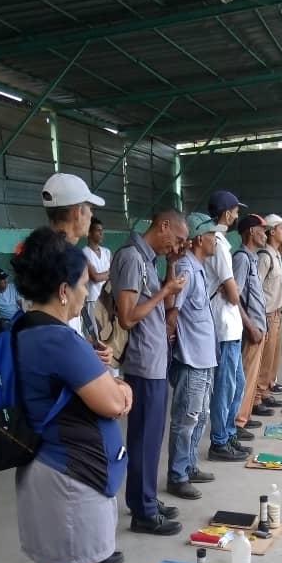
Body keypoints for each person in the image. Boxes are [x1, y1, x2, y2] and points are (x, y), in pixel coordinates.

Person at [12, 227, 133, 563]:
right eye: (83, 286)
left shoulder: (30, 327)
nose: (87, 294)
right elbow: (110, 401)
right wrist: (121, 388)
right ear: (64, 291)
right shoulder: (59, 340)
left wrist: (105, 378)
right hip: (65, 473)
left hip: (53, 466)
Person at [36, 171, 121, 563]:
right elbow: (46, 321)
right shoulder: (52, 257)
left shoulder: (61, 252)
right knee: (63, 464)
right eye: (87, 210)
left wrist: (88, 349)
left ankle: (78, 555)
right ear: (74, 213)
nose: (90, 217)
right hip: (57, 370)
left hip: (70, 355)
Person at [110, 209, 189, 534]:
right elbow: (128, 316)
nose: (178, 246)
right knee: (143, 438)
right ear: (163, 225)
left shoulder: (148, 260)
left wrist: (169, 272)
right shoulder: (130, 257)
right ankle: (143, 511)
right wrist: (164, 292)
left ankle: (146, 498)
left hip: (156, 361)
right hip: (143, 364)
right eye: (178, 239)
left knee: (153, 438)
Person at [166, 213, 218, 499]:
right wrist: (171, 346)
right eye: (212, 236)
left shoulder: (198, 268)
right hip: (192, 359)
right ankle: (177, 475)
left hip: (205, 357)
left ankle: (190, 466)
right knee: (185, 419)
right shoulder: (186, 268)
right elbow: (172, 311)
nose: (216, 242)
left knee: (200, 417)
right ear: (200, 238)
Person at [204, 189, 253, 461]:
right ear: (225, 213)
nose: (237, 216)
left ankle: (229, 433)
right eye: (235, 211)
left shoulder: (219, 242)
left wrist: (230, 289)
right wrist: (231, 289)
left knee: (236, 383)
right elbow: (233, 293)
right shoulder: (219, 244)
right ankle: (219, 440)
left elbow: (231, 290)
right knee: (225, 387)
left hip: (230, 325)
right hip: (223, 325)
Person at [233, 214, 271, 434]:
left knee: (252, 376)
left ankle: (244, 417)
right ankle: (238, 422)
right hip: (251, 328)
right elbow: (234, 297)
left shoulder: (252, 258)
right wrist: (250, 326)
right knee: (245, 377)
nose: (265, 235)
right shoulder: (241, 258)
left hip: (259, 325)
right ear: (250, 232)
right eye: (261, 230)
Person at [255, 214, 282, 413]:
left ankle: (266, 392)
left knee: (273, 359)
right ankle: (256, 398)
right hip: (267, 315)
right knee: (265, 360)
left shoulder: (276, 254)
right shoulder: (265, 256)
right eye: (281, 228)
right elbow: (256, 288)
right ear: (271, 232)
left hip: (278, 314)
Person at [83, 217, 111, 328]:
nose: (101, 233)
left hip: (108, 300)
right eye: (98, 230)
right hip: (93, 300)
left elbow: (115, 272)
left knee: (109, 335)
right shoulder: (84, 253)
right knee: (96, 336)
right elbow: (95, 277)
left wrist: (106, 275)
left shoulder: (107, 252)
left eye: (102, 230)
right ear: (89, 233)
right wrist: (110, 274)